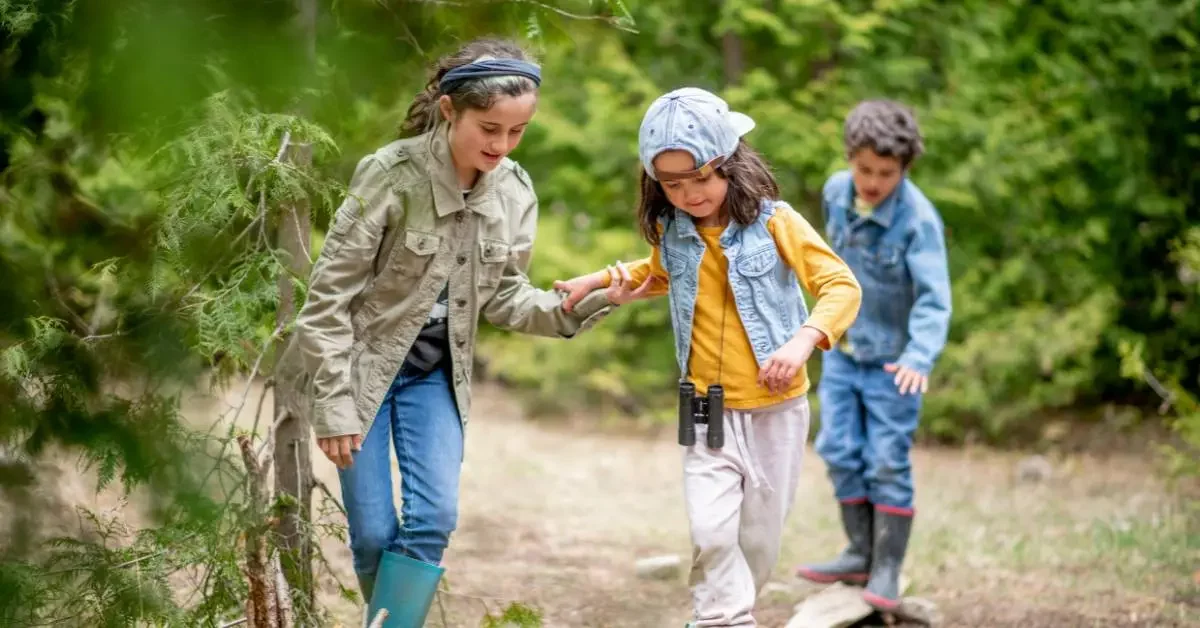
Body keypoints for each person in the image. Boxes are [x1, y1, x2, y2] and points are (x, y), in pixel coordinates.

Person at [278, 38, 615, 626]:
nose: (502, 145)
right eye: (489, 128)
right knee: (373, 535)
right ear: (448, 110)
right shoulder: (390, 174)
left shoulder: (514, 190)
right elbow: (327, 301)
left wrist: (585, 303)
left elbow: (505, 297)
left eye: (517, 132)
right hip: (360, 374)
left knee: (433, 520)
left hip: (435, 377)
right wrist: (333, 407)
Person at [557, 87, 862, 628]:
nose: (689, 194)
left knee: (758, 543)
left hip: (775, 410)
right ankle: (723, 620)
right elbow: (659, 271)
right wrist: (603, 281)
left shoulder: (776, 222)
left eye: (701, 177)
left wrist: (800, 343)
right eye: (672, 184)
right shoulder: (673, 231)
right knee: (712, 533)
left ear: (731, 163)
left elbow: (840, 286)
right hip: (705, 412)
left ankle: (730, 611)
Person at [793, 99, 952, 612]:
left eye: (885, 173)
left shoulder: (917, 220)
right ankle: (858, 551)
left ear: (904, 169)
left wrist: (919, 356)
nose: (872, 181)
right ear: (849, 159)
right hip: (841, 350)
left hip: (893, 364)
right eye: (864, 169)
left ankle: (886, 566)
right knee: (838, 448)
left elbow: (934, 298)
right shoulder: (836, 192)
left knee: (886, 459)